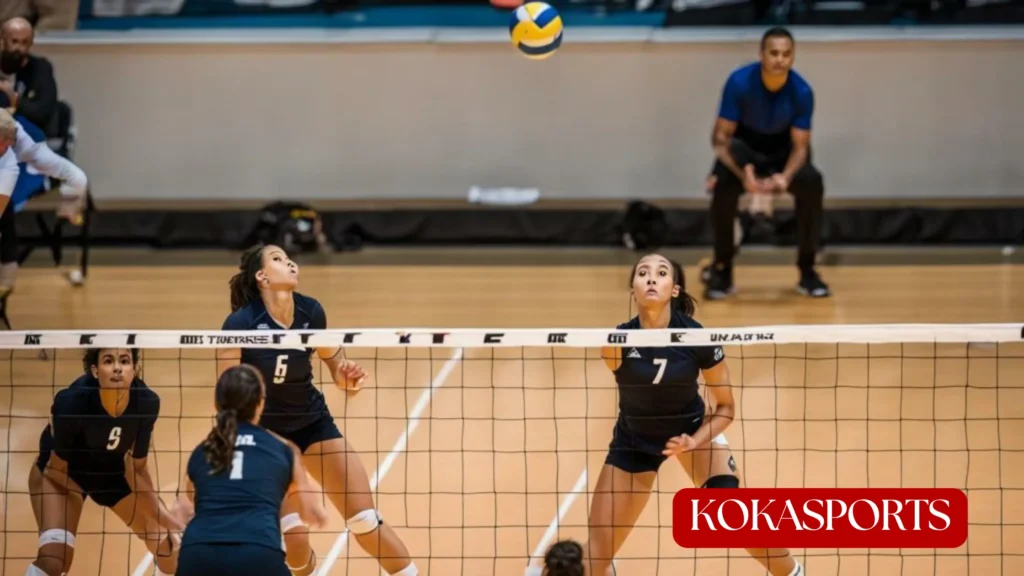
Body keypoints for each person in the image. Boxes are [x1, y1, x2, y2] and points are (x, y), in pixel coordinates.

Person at [580, 253, 804, 576]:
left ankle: (794, 572)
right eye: (643, 273)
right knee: (594, 558)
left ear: (675, 289)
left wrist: (694, 440)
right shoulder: (617, 343)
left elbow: (726, 408)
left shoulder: (698, 338)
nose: (651, 278)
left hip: (692, 430)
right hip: (634, 441)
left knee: (735, 515)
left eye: (661, 273)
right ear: (633, 290)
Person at [216, 243, 418, 576]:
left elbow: (339, 370)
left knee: (365, 520)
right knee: (295, 543)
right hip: (267, 437)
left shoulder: (311, 312)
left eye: (288, 258)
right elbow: (226, 396)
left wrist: (348, 377)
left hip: (312, 424)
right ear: (262, 277)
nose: (289, 262)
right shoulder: (241, 323)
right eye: (278, 259)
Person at [26, 348, 184, 576]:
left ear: (135, 369)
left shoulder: (146, 403)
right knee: (55, 560)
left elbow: (137, 470)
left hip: (110, 474)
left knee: (167, 546)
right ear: (95, 370)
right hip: (63, 476)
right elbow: (55, 468)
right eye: (108, 361)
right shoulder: (71, 402)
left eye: (125, 361)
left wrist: (168, 520)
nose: (117, 368)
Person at [703, 26, 829, 300]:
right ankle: (722, 268)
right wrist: (743, 174)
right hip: (745, 150)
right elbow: (720, 139)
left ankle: (807, 270)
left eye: (786, 54)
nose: (780, 59)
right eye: (774, 53)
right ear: (761, 54)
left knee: (812, 183)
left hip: (782, 151)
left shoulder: (802, 91)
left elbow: (801, 147)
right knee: (722, 187)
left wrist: (786, 176)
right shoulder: (739, 82)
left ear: (793, 57)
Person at [176, 364, 329, 576]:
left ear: (216, 404)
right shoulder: (283, 449)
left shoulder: (202, 452)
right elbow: (312, 514)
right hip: (257, 553)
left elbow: (186, 509)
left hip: (198, 554)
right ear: (260, 403)